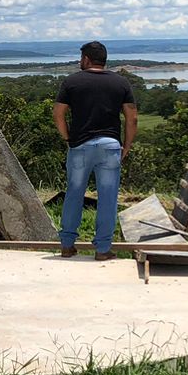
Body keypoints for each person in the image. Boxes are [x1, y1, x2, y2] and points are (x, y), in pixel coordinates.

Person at [54, 41, 137, 261]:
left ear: (87, 59)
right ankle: (102, 249)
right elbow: (132, 118)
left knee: (74, 194)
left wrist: (67, 138)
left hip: (80, 146)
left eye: (81, 57)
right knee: (108, 198)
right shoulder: (121, 82)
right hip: (110, 145)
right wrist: (126, 146)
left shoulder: (72, 82)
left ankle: (67, 245)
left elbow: (58, 114)